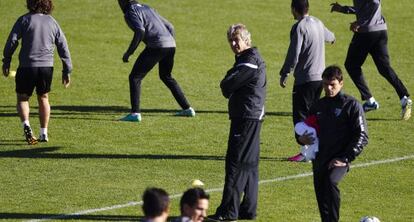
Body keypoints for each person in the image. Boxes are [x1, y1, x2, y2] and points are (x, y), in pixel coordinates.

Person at [209, 24, 266, 221]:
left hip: (245, 117)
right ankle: (248, 209)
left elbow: (227, 85)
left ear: (246, 40)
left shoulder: (248, 61)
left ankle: (228, 212)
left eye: (237, 40)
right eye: (231, 40)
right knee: (249, 165)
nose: (234, 44)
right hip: (252, 116)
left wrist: (227, 79)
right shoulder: (247, 59)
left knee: (235, 163)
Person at [300, 65, 368, 222]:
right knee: (322, 198)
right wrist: (302, 139)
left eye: (332, 85)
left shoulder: (352, 105)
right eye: (325, 84)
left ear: (341, 83)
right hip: (320, 160)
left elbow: (362, 135)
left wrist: (345, 158)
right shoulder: (317, 106)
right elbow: (308, 130)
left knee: (331, 183)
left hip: (340, 158)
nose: (328, 88)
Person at [2, 0, 72, 144]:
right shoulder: (53, 22)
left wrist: (6, 60)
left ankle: (26, 125)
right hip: (46, 68)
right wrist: (66, 70)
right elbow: (63, 46)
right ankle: (44, 133)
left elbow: (12, 40)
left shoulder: (24, 20)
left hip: (27, 67)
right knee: (44, 98)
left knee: (22, 98)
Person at [330, 1, 412, 120]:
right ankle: (404, 98)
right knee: (384, 68)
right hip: (380, 30)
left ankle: (370, 101)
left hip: (366, 32)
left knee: (351, 65)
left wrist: (360, 22)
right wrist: (344, 9)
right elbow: (366, 7)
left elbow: (372, 4)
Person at [117, 0, 195, 122]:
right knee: (166, 76)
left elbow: (140, 31)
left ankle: (135, 113)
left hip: (157, 46)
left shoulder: (130, 11)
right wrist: (169, 43)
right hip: (170, 44)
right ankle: (188, 109)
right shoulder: (147, 7)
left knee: (135, 77)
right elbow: (170, 26)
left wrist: (129, 53)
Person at [280, 0, 335, 162]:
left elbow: (293, 54)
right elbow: (330, 36)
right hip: (320, 79)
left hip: (305, 80)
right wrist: (332, 39)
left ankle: (305, 153)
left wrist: (285, 73)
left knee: (300, 118)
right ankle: (315, 150)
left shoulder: (299, 27)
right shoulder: (317, 22)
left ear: (294, 10)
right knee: (313, 116)